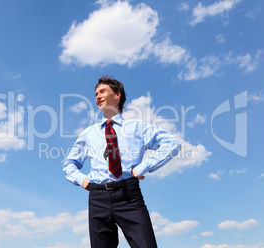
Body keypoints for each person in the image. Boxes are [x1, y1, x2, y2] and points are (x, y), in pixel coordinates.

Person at [63, 75, 181, 248]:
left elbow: (172, 143)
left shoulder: (137, 127)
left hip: (129, 195)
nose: (97, 96)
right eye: (95, 93)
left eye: (102, 91)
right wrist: (82, 179)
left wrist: (142, 167)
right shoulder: (88, 133)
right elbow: (69, 164)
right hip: (98, 198)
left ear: (117, 94)